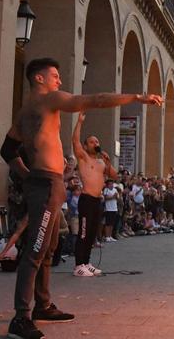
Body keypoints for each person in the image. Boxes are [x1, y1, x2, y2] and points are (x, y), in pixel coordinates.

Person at [0, 57, 162, 339]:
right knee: (36, 249)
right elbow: (95, 99)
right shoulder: (49, 100)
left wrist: (26, 175)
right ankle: (21, 317)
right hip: (46, 183)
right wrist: (137, 97)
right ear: (39, 78)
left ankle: (43, 304)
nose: (59, 80)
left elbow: (7, 149)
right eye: (54, 75)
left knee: (49, 247)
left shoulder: (25, 111)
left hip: (47, 182)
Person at [71, 112, 117, 277]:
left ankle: (86, 262)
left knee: (92, 234)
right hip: (86, 200)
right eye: (92, 141)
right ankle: (78, 265)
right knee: (83, 233)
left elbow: (114, 175)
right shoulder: (83, 158)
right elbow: (75, 141)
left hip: (98, 201)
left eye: (97, 141)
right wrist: (80, 122)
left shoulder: (100, 162)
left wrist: (107, 161)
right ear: (86, 146)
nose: (95, 143)